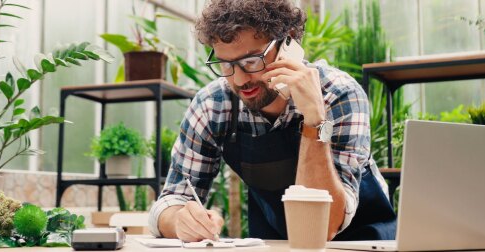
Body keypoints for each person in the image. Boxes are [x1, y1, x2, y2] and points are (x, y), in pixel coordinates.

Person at [148, 0, 395, 242]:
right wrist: (180, 220)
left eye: (252, 61)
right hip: (275, 242)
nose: (240, 79)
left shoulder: (337, 94)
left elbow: (326, 225)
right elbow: (171, 201)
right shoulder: (213, 105)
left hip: (360, 241)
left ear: (288, 42)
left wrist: (314, 121)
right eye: (226, 64)